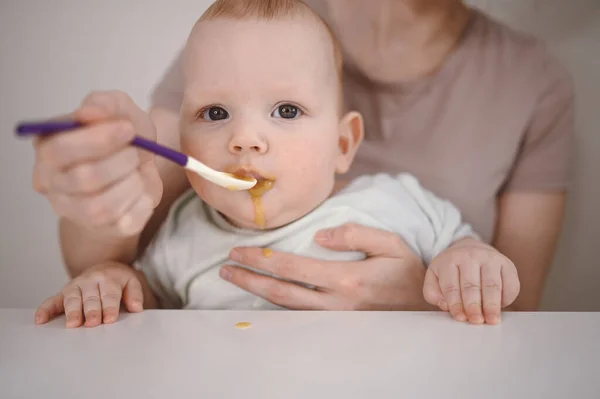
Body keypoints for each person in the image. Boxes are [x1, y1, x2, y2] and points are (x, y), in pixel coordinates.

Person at [31, 0, 573, 320]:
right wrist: (111, 279)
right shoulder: (181, 235)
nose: (245, 139)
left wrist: (465, 267)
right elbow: (146, 298)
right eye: (215, 113)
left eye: (286, 110)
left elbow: (476, 265)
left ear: (344, 145)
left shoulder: (394, 202)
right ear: (183, 145)